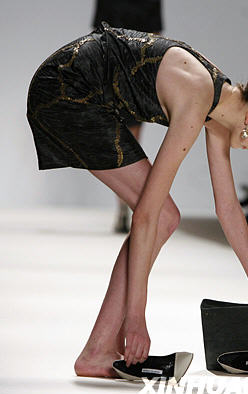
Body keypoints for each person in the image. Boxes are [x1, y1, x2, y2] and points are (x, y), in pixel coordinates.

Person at [26, 23, 248, 377]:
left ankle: (98, 350)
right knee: (161, 216)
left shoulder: (220, 108)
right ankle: (98, 350)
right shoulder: (198, 99)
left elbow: (228, 209)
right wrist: (136, 319)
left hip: (85, 90)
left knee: (165, 216)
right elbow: (145, 216)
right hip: (67, 88)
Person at [92, 0, 164, 233]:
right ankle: (128, 204)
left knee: (122, 145)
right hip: (134, 74)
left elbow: (98, 36)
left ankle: (125, 205)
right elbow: (155, 39)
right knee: (129, 144)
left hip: (117, 73)